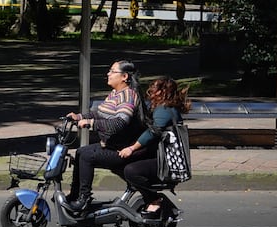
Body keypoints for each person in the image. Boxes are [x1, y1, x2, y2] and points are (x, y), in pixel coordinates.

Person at [66, 60, 147, 211]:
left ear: (124, 76)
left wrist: (91, 123)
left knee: (86, 156)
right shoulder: (115, 94)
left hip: (122, 150)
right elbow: (100, 113)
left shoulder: (128, 96)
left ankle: (84, 199)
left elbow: (119, 123)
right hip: (110, 145)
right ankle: (74, 195)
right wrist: (78, 116)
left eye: (112, 71)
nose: (108, 74)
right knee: (80, 152)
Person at [118, 76, 191, 218]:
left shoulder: (164, 109)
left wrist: (131, 148)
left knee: (131, 170)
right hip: (162, 158)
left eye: (155, 88)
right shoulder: (165, 108)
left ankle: (153, 199)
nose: (151, 91)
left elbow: (153, 131)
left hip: (168, 162)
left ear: (163, 92)